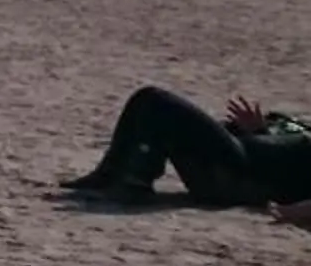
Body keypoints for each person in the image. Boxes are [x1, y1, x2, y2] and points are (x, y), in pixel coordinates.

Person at [61, 88, 311, 207]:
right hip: (236, 161)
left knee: (155, 101)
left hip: (245, 174)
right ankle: (108, 174)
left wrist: (295, 211)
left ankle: (136, 183)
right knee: (146, 102)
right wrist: (258, 130)